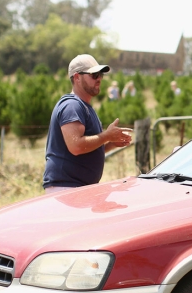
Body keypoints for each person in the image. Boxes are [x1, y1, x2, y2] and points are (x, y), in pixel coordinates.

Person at [43, 54, 132, 192]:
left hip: (75, 187)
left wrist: (111, 144)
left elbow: (86, 149)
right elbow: (76, 146)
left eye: (100, 75)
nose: (99, 79)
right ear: (77, 77)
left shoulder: (84, 106)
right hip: (66, 188)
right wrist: (107, 136)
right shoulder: (72, 106)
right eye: (94, 75)